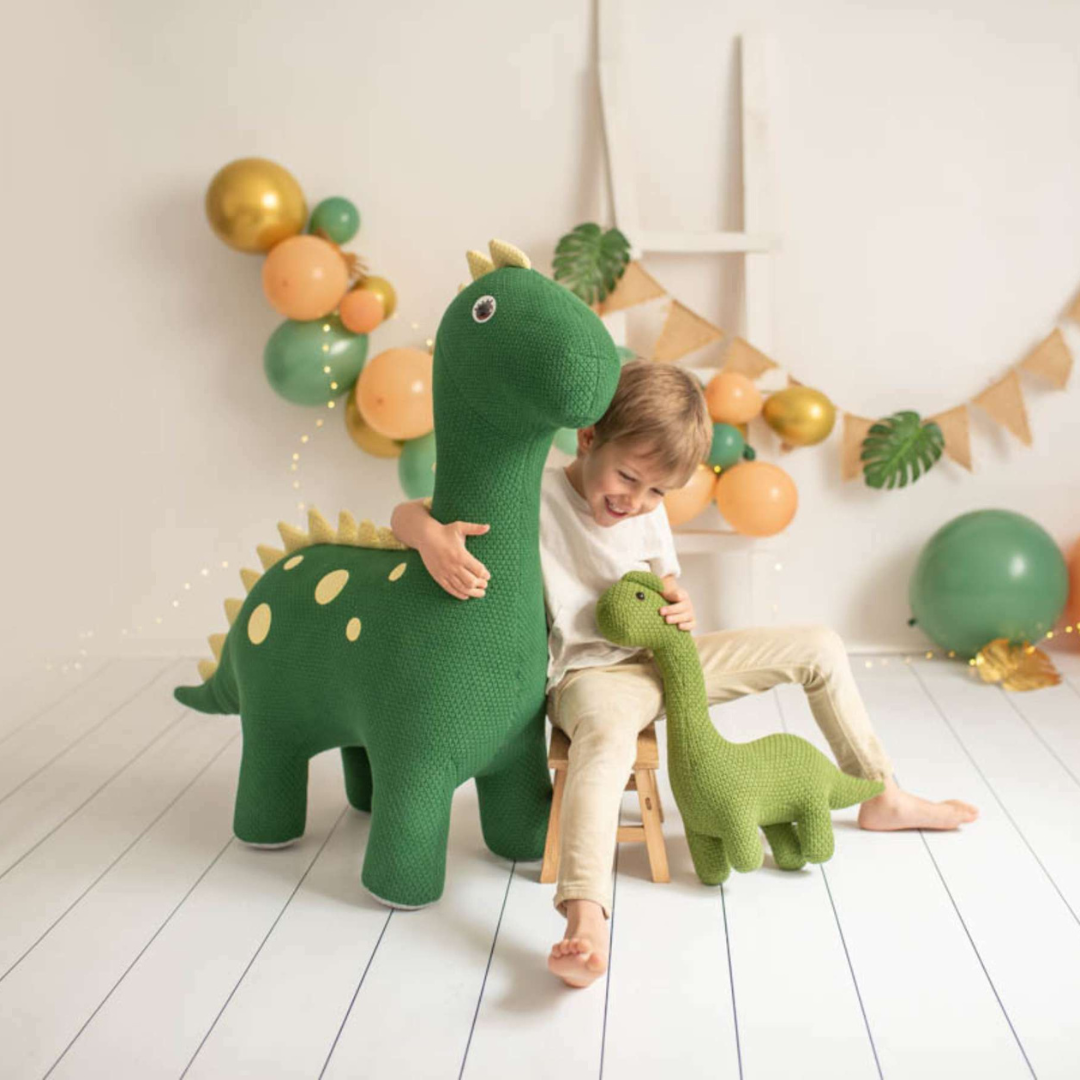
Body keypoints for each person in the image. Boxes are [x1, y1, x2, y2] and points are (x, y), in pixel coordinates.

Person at [390, 358, 978, 990]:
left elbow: (663, 583)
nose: (635, 502)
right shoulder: (534, 492)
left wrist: (680, 600)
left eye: (657, 493)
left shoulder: (646, 508)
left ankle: (881, 794)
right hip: (591, 676)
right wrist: (429, 538)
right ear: (588, 438)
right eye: (627, 477)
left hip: (668, 661)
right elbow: (404, 514)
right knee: (604, 745)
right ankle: (585, 915)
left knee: (821, 645)